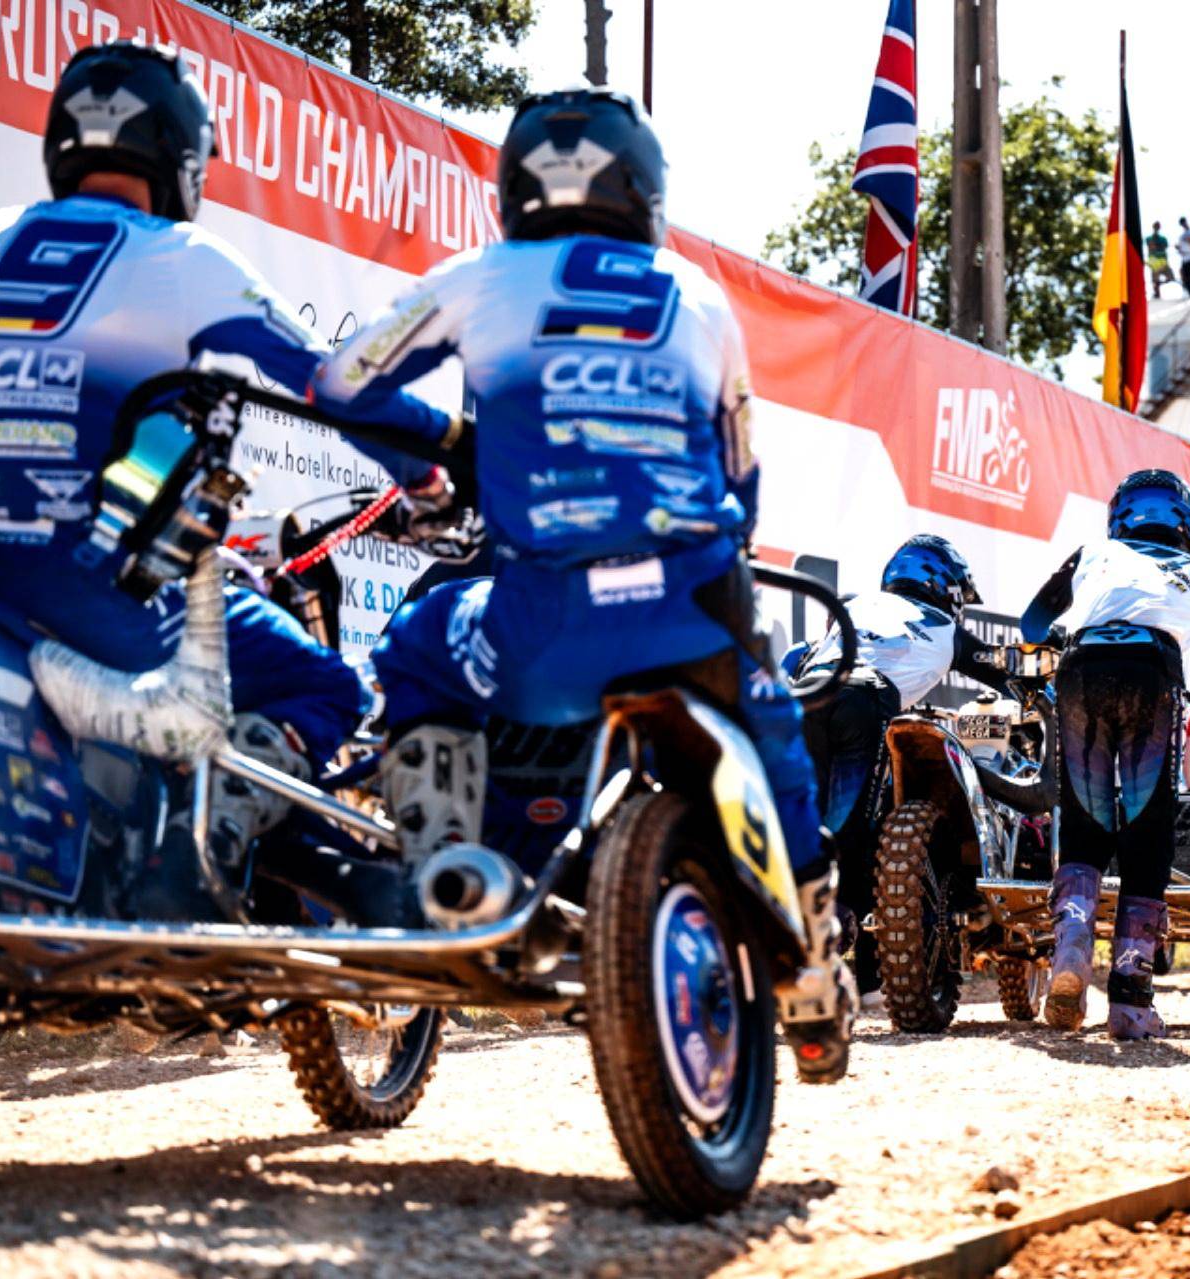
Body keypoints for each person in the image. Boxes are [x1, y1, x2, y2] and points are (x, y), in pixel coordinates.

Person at [310, 86, 854, 1082]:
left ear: (515, 186)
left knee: (418, 643)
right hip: (693, 612)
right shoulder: (697, 296)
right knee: (773, 727)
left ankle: (445, 880)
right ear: (644, 189)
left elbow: (342, 382)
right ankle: (814, 958)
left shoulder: (480, 278)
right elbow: (742, 477)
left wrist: (435, 461)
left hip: (542, 626)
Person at [0, 43, 437, 916]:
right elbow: (333, 381)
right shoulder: (181, 255)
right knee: (329, 686)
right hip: (103, 592)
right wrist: (428, 464)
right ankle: (209, 846)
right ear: (179, 154)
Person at [1020, 469, 1190, 1039]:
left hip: (1082, 669)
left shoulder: (1092, 555)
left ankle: (1071, 944)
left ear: (1119, 519)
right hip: (1153, 673)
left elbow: (1032, 623)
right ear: (1187, 526)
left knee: (1085, 827)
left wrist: (1056, 642)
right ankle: (1130, 1002)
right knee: (1148, 833)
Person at [784, 535, 1014, 985]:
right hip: (863, 699)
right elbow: (1006, 674)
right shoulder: (948, 629)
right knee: (852, 829)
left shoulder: (855, 604)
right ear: (946, 586)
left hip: (805, 697)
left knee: (806, 822)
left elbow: (800, 658)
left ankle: (801, 937)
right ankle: (832, 942)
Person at [1145, 221, 1173, 299]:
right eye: (1155, 226)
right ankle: (1157, 293)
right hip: (1154, 261)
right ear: (1153, 227)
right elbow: (1151, 247)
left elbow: (1164, 247)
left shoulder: (1163, 238)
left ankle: (1158, 285)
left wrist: (1156, 246)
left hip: (1163, 260)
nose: (1156, 228)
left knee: (1170, 277)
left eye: (1158, 226)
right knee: (1155, 279)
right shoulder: (1149, 238)